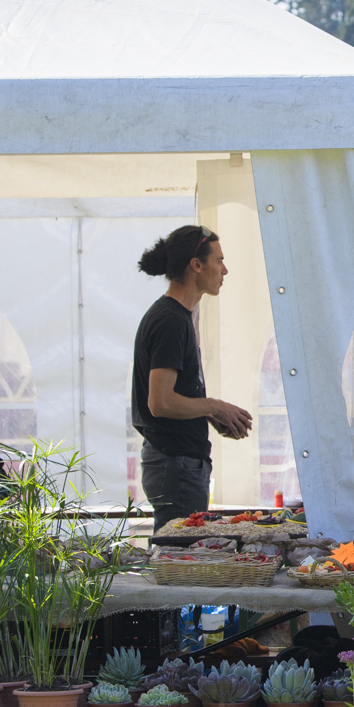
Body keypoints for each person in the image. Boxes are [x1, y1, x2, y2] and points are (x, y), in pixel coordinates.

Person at [132, 226, 253, 531]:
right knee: (180, 560)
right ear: (196, 265)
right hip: (175, 463)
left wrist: (210, 414)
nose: (224, 270)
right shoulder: (171, 321)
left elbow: (174, 396)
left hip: (180, 463)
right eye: (219, 260)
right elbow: (160, 402)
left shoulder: (180, 317)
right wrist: (213, 406)